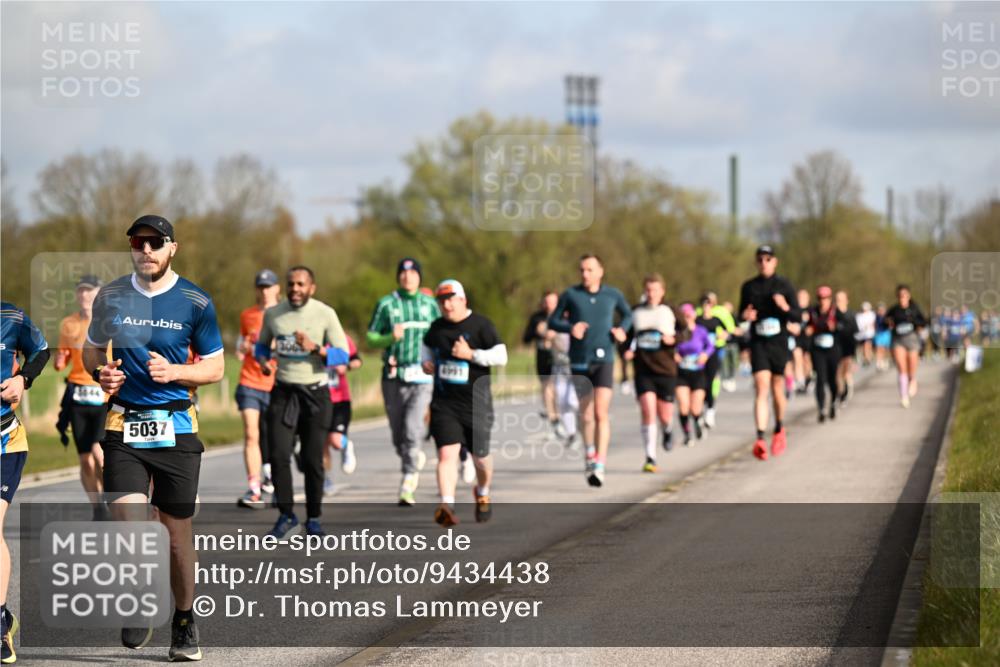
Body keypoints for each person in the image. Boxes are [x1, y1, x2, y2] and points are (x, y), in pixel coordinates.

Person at [84, 214, 224, 661]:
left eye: (155, 243)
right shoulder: (111, 296)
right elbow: (90, 351)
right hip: (124, 425)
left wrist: (178, 371)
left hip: (177, 426)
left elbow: (216, 368)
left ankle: (184, 620)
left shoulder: (195, 301)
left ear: (172, 249)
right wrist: (99, 373)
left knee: (176, 536)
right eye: (138, 242)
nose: (146, 250)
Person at [255, 266, 349, 537]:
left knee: (311, 460)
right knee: (279, 455)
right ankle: (286, 515)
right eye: (291, 284)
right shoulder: (274, 314)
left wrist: (316, 348)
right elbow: (262, 345)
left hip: (315, 394)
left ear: (311, 288)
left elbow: (343, 355)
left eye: (300, 284)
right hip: (284, 392)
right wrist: (262, 361)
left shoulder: (325, 313)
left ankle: (314, 518)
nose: (295, 289)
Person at [421, 280, 507, 526]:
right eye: (442, 301)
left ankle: (482, 491)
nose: (446, 305)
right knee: (446, 454)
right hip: (444, 403)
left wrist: (471, 355)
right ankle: (446, 505)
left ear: (463, 300)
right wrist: (425, 363)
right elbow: (425, 346)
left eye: (451, 299)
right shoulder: (436, 328)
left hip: (476, 403)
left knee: (480, 458)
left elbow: (501, 356)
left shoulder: (481, 325)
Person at [548, 254, 632, 487]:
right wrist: (570, 327)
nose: (585, 274)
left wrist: (622, 330)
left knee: (601, 413)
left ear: (600, 271)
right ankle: (589, 454)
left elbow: (628, 314)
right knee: (586, 414)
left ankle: (600, 464)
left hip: (604, 359)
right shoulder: (571, 295)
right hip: (579, 360)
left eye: (589, 270)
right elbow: (553, 321)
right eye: (582, 270)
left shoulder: (612, 294)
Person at [367, 258, 440, 506]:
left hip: (422, 376)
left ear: (420, 277)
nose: (408, 277)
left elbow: (441, 333)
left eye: (412, 272)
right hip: (394, 376)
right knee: (398, 433)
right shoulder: (386, 304)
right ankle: (410, 454)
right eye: (403, 272)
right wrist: (389, 337)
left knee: (412, 427)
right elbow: (371, 336)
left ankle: (408, 479)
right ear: (398, 276)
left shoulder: (430, 305)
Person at [1, 302, 49, 665]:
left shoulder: (11, 318)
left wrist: (22, 379)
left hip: (4, 440)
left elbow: (42, 349)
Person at [53, 275, 110, 518]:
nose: (84, 295)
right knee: (85, 459)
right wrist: (59, 360)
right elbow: (63, 357)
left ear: (98, 294)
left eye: (89, 291)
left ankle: (112, 496)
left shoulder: (108, 323)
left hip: (104, 396)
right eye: (81, 291)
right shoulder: (68, 324)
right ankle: (98, 507)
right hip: (77, 395)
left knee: (100, 453)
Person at [738, 245, 801, 461]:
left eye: (768, 259)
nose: (763, 262)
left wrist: (784, 307)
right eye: (760, 259)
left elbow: (797, 316)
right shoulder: (749, 287)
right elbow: (740, 315)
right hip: (759, 342)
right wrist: (745, 315)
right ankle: (759, 438)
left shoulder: (784, 285)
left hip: (779, 342)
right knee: (761, 386)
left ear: (775, 262)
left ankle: (779, 428)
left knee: (776, 387)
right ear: (756, 262)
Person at [234, 269, 280, 509]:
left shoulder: (285, 314)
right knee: (252, 434)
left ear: (277, 288)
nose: (264, 291)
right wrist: (242, 349)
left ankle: (273, 477)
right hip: (250, 382)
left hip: (277, 384)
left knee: (276, 437)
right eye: (260, 287)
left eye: (268, 286)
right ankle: (254, 488)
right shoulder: (247, 315)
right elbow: (242, 343)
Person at [625, 274, 677, 472]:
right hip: (643, 369)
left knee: (664, 414)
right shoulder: (636, 312)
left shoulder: (669, 311)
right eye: (648, 290)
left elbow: (687, 331)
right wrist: (626, 351)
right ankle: (650, 457)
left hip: (665, 370)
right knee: (647, 409)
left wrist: (675, 339)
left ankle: (668, 429)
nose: (651, 294)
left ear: (662, 292)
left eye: (655, 290)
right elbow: (626, 336)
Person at [323, 333, 362, 496]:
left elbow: (357, 360)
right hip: (318, 399)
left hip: (340, 399)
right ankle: (324, 479)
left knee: (335, 441)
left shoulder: (341, 338)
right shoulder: (308, 338)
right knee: (320, 443)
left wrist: (346, 366)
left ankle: (346, 446)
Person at [806, 286, 850, 422]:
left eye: (825, 298)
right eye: (820, 298)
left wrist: (835, 327)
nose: (822, 301)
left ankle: (833, 403)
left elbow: (846, 327)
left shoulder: (836, 312)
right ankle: (821, 409)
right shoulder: (813, 312)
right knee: (820, 378)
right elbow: (806, 326)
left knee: (832, 379)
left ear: (830, 299)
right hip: (818, 350)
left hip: (833, 350)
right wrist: (808, 329)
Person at [674, 303, 714, 446]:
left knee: (695, 407)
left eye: (689, 314)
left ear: (694, 315)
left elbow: (710, 346)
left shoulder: (701, 331)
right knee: (683, 406)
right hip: (681, 373)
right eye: (684, 314)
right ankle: (687, 434)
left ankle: (697, 421)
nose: (687, 317)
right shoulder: (677, 332)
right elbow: (670, 346)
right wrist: (674, 355)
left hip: (698, 371)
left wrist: (705, 354)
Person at [522, 291, 560, 437]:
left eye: (553, 301)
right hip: (543, 356)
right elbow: (526, 338)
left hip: (561, 356)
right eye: (547, 301)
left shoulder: (563, 315)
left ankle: (561, 416)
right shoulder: (537, 318)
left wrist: (556, 334)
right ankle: (553, 419)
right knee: (547, 387)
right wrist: (539, 333)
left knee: (558, 388)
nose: (549, 305)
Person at [696, 291, 736, 428]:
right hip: (700, 355)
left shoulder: (716, 320)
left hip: (714, 351)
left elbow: (728, 331)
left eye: (710, 304)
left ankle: (710, 410)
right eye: (705, 304)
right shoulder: (698, 320)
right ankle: (699, 410)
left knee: (711, 380)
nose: (707, 307)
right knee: (700, 383)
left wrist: (724, 336)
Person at [885, 285, 927, 408]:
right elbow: (884, 321)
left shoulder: (914, 308)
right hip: (898, 340)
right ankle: (904, 396)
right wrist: (888, 322)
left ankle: (912, 380)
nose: (902, 298)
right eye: (900, 296)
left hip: (912, 339)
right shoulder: (894, 310)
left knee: (911, 367)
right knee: (901, 368)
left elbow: (923, 322)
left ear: (908, 296)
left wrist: (915, 323)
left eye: (904, 295)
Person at [834, 290, 859, 407]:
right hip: (835, 346)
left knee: (845, 371)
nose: (839, 302)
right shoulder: (833, 314)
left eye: (841, 299)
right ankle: (841, 393)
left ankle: (847, 388)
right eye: (837, 299)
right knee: (837, 372)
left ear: (847, 301)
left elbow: (855, 332)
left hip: (848, 346)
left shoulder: (851, 314)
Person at [792, 289, 813, 395]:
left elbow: (816, 323)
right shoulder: (794, 310)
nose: (801, 299)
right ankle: (800, 381)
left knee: (807, 360)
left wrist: (812, 328)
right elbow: (788, 322)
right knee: (797, 358)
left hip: (808, 338)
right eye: (800, 297)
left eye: (804, 297)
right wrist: (791, 327)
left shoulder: (811, 310)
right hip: (797, 338)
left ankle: (808, 378)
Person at [856, 301, 876, 367]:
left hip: (869, 333)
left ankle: (868, 357)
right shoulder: (859, 316)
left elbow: (874, 323)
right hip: (862, 334)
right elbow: (858, 325)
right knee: (865, 345)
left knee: (868, 345)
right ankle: (866, 357)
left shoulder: (872, 314)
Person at [874, 303, 892, 371]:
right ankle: (879, 362)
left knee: (885, 348)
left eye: (882, 310)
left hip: (886, 333)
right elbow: (874, 324)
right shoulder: (876, 316)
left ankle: (884, 361)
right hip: (879, 333)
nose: (881, 311)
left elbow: (890, 325)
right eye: (879, 310)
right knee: (879, 348)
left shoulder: (887, 317)